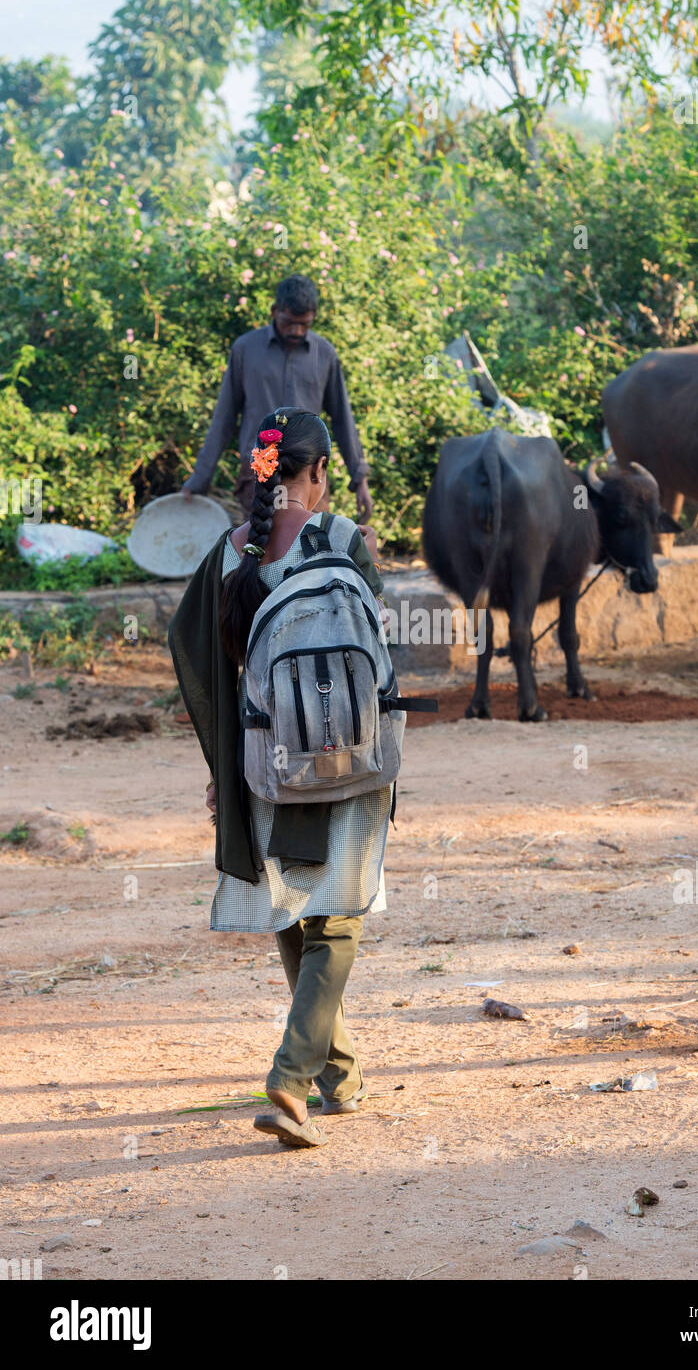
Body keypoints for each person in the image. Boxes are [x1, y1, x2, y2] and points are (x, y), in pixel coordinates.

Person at [168, 408, 389, 1148]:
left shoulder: (230, 552)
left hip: (264, 759)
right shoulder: (344, 541)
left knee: (296, 908)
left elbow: (196, 655)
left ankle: (341, 1078)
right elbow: (372, 649)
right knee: (340, 918)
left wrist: (219, 768)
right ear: (319, 471)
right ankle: (290, 1081)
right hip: (347, 755)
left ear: (260, 473)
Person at [181, 274, 373, 523]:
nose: (296, 331)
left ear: (314, 315)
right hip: (258, 473)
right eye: (289, 322)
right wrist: (199, 479)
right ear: (274, 311)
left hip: (309, 476)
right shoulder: (246, 349)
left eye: (304, 324)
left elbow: (342, 420)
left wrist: (360, 480)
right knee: (260, 553)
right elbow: (224, 418)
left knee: (310, 551)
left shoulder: (324, 354)